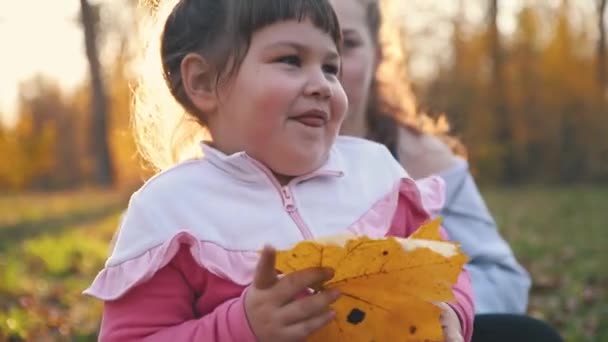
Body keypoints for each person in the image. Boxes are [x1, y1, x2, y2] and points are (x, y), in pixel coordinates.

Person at [85, 0, 474, 341]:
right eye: (290, 60)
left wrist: (450, 314)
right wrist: (242, 327)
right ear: (203, 82)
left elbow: (444, 270)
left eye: (331, 67)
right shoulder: (171, 213)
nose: (322, 85)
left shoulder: (376, 177)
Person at [331, 0, 563, 341]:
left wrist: (425, 309)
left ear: (378, 55)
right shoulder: (242, 163)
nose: (326, 65)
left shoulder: (422, 159)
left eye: (346, 44)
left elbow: (502, 276)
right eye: (293, 55)